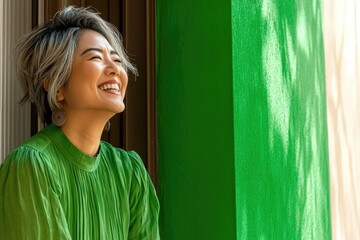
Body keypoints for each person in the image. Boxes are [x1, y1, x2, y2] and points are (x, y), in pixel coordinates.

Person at [0, 6, 159, 240]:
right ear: (56, 84)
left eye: (117, 60)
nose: (115, 69)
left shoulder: (131, 172)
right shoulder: (32, 165)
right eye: (96, 57)